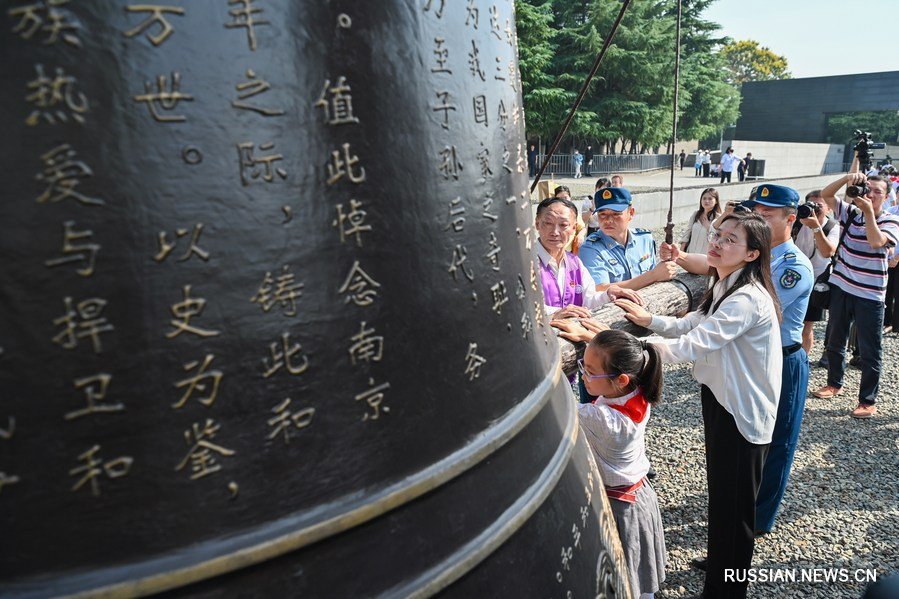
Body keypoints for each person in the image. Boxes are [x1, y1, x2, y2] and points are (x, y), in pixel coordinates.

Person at [616, 211, 783, 599]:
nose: (717, 243)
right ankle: (722, 564)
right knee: (723, 497)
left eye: (730, 240)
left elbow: (693, 345)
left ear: (753, 254)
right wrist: (648, 318)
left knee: (736, 508)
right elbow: (691, 324)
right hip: (722, 399)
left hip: (741, 411)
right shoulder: (725, 283)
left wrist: (628, 346)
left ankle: (727, 589)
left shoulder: (747, 299)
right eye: (718, 234)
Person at [663, 184, 814, 537]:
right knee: (737, 448)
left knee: (774, 444)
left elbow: (746, 310)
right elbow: (711, 263)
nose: (757, 219)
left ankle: (755, 521)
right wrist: (681, 257)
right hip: (744, 359)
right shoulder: (743, 255)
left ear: (790, 219)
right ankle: (733, 517)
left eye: (766, 215)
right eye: (754, 212)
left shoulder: (793, 267)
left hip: (782, 358)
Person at [577, 330, 666, 599]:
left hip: (621, 508)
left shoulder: (603, 420)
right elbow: (621, 354)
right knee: (639, 574)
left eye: (589, 371)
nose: (583, 375)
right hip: (641, 496)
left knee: (624, 576)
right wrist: (589, 338)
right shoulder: (638, 390)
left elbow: (558, 403)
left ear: (621, 379)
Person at [811, 170, 899, 419]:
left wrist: (869, 212)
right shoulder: (850, 213)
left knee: (870, 349)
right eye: (868, 189)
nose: (871, 194)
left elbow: (876, 242)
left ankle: (867, 400)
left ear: (887, 197)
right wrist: (848, 178)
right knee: (835, 341)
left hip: (870, 294)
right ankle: (834, 383)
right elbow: (826, 194)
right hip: (841, 286)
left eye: (877, 192)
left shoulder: (891, 221)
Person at [578, 187, 677, 293]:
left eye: (616, 214)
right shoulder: (590, 248)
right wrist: (653, 276)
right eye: (602, 214)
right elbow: (600, 289)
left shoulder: (644, 239)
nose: (608, 220)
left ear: (631, 213)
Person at [793, 190, 839, 355]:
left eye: (819, 205)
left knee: (806, 326)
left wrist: (816, 228)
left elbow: (828, 252)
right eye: (811, 205)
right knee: (791, 323)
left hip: (817, 280)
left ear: (828, 208)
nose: (814, 209)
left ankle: (804, 358)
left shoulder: (832, 227)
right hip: (794, 278)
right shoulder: (797, 222)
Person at [679, 188, 721, 255]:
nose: (706, 201)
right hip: (690, 253)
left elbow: (715, 240)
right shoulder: (696, 214)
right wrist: (681, 251)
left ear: (716, 201)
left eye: (710, 199)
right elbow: (688, 233)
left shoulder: (719, 218)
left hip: (705, 256)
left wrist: (709, 228)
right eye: (704, 198)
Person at [554, 185, 587, 254]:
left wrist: (580, 236)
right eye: (559, 198)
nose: (563, 201)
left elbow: (582, 228)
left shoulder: (573, 213)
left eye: (565, 198)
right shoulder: (552, 213)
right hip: (555, 251)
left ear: (570, 198)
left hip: (570, 252)